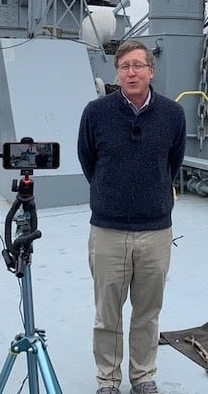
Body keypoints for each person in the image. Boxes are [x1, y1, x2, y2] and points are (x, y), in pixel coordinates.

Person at [77, 40, 187, 394]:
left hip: (155, 230)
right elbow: (88, 160)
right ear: (117, 72)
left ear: (151, 71)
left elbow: (173, 163)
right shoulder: (96, 113)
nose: (131, 72)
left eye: (138, 65)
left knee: (147, 311)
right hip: (109, 229)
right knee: (107, 312)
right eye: (124, 66)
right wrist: (111, 194)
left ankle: (143, 376)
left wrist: (151, 194)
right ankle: (107, 380)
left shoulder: (172, 115)